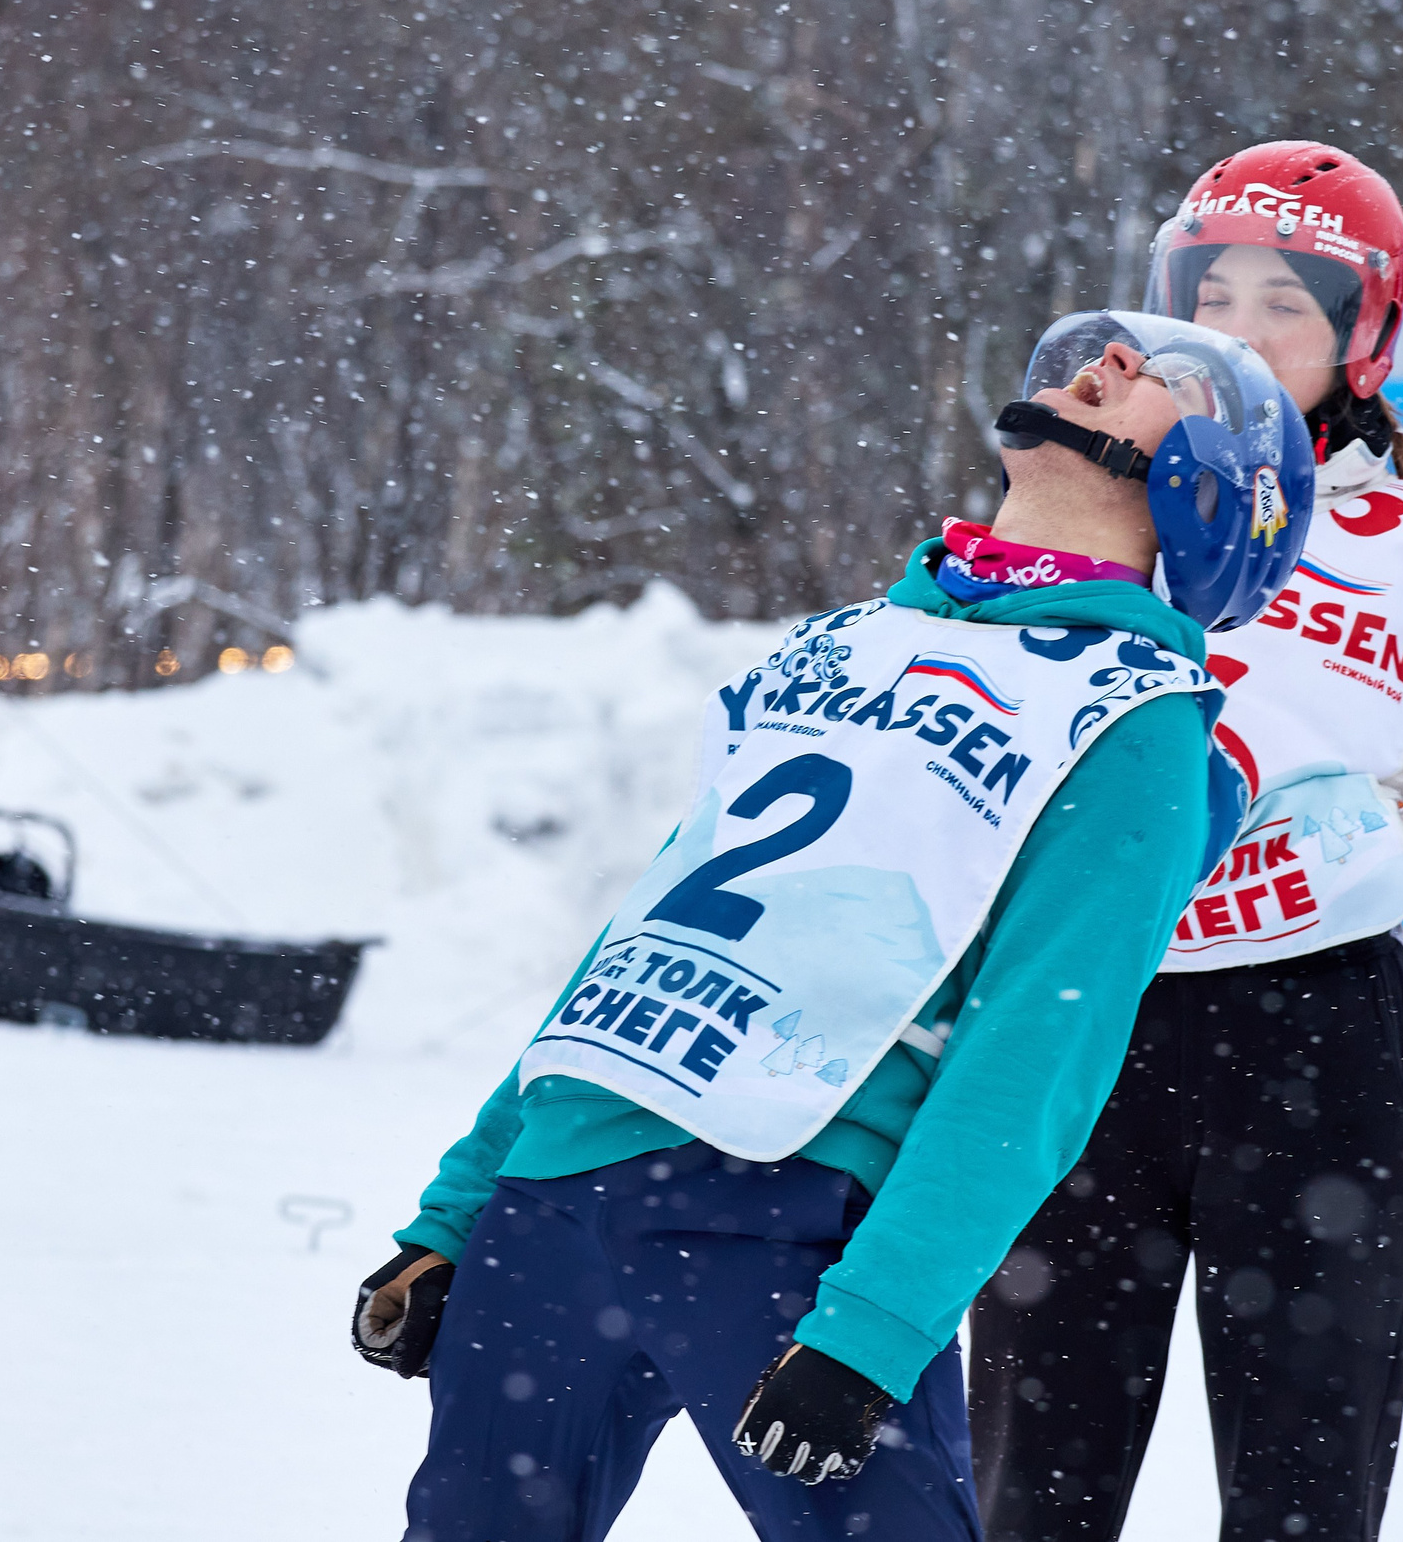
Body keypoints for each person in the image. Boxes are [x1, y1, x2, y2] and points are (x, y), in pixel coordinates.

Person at [352, 311, 1315, 1542]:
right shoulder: (843, 643)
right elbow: (641, 932)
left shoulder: (1136, 722)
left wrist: (880, 1325)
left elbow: (1033, 1059)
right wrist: (458, 1208)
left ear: (1211, 492)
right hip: (557, 1195)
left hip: (787, 1220)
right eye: (1100, 353)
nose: (1105, 363)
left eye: (1163, 379)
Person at [968, 141, 1403, 1542]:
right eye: (1211, 293)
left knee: (1305, 1489)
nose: (1238, 330)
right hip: (1084, 1019)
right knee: (1031, 1484)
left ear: (1364, 334)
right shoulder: (1087, 509)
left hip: (1314, 1041)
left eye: (1286, 301)